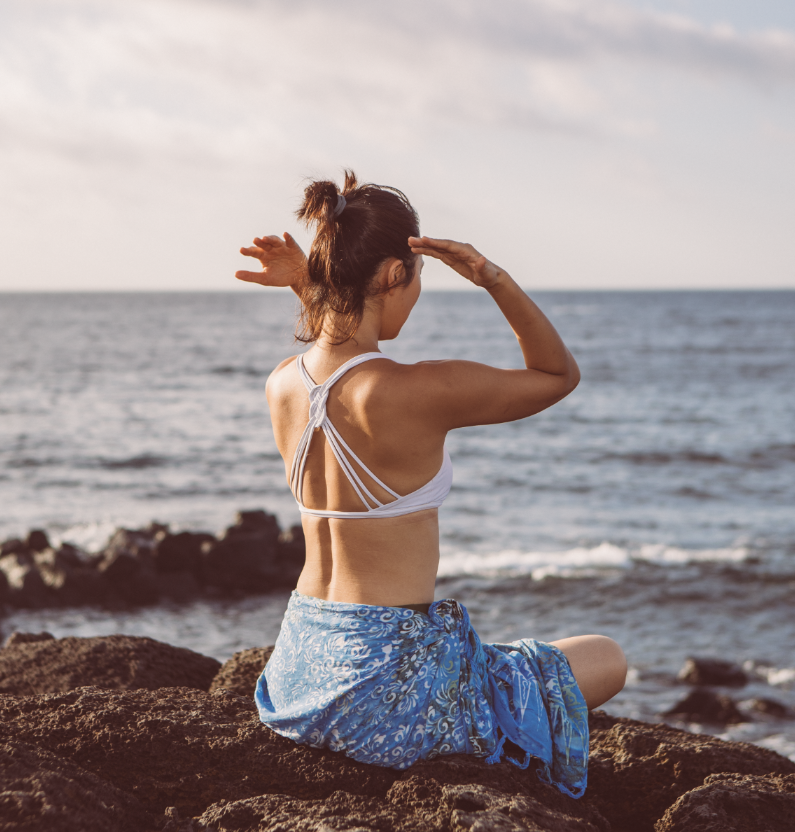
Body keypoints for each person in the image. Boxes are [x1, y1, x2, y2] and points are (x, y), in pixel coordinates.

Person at [235, 170, 626, 798]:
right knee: (606, 657)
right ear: (395, 273)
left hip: (299, 673)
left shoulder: (282, 383)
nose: (416, 298)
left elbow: (334, 352)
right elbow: (557, 374)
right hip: (385, 697)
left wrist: (310, 284)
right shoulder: (415, 390)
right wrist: (492, 278)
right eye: (417, 282)